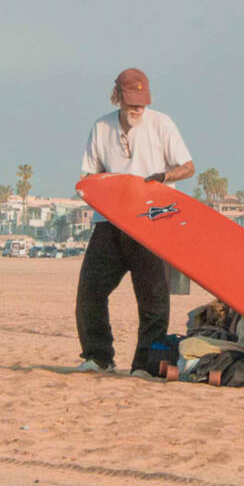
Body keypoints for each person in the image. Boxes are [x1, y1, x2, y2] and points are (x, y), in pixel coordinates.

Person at [73, 67, 194, 375]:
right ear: (116, 97)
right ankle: (99, 357)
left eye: (142, 102)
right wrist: (103, 194)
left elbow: (188, 166)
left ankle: (144, 365)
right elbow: (89, 175)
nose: (138, 108)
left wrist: (164, 177)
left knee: (153, 300)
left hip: (152, 222)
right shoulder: (101, 127)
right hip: (109, 223)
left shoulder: (161, 124)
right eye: (131, 101)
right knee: (90, 292)